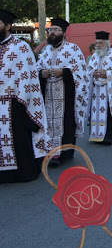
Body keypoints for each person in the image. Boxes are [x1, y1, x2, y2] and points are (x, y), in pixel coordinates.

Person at [0, 9, 51, 183]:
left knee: (17, 139)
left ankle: (21, 172)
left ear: (7, 26)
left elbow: (28, 76)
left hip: (15, 103)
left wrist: (20, 99)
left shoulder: (20, 47)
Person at [37, 18, 89, 166]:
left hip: (66, 93)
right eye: (50, 30)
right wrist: (42, 74)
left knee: (66, 122)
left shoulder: (73, 49)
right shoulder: (46, 51)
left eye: (55, 30)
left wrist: (64, 72)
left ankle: (63, 153)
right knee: (48, 122)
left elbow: (81, 73)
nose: (52, 32)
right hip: (48, 93)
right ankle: (50, 151)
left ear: (64, 33)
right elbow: (36, 69)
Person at [86, 31, 112, 145]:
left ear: (107, 43)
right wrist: (92, 73)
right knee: (95, 112)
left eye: (100, 43)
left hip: (109, 91)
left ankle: (108, 136)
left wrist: (107, 74)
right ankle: (95, 135)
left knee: (108, 113)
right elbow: (88, 70)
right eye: (96, 43)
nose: (97, 45)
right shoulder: (94, 56)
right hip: (96, 92)